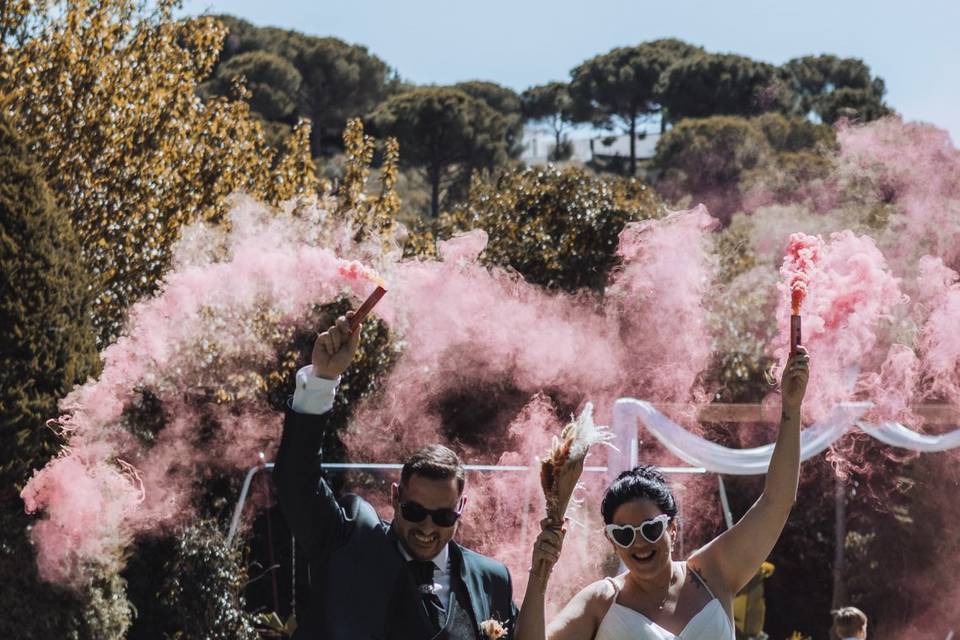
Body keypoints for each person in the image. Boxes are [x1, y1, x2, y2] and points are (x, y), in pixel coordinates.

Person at [515, 347, 810, 640]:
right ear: (612, 541)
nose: (640, 542)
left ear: (672, 526)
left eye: (650, 528)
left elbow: (776, 502)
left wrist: (791, 408)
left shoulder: (713, 572)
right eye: (624, 534)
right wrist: (539, 573)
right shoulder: (602, 601)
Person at [273, 311, 518, 639]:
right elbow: (296, 481)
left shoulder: (491, 579)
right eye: (415, 512)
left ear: (461, 509)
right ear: (395, 497)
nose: (428, 528)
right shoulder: (349, 543)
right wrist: (321, 381)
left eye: (444, 516)